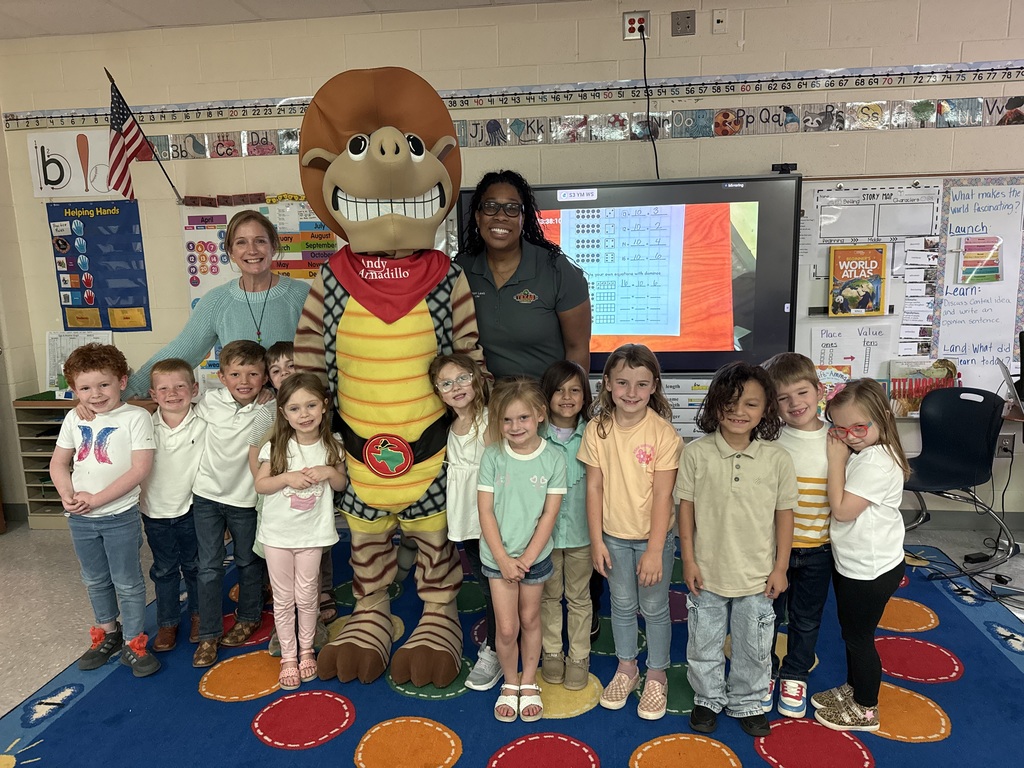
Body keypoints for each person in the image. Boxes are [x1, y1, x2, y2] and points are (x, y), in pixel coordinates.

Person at [677, 361, 797, 738]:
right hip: (708, 572)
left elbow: (784, 516)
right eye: (730, 402)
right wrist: (689, 560)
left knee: (755, 644)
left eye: (751, 404)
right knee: (704, 642)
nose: (739, 411)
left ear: (766, 410)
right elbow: (686, 510)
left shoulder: (777, 459)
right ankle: (708, 698)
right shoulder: (696, 454)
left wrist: (781, 567)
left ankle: (747, 700)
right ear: (714, 405)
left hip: (757, 576)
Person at [579, 344, 681, 721]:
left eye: (641, 384)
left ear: (654, 386)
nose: (631, 392)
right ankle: (627, 667)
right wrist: (595, 540)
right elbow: (594, 487)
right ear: (606, 383)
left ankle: (656, 673)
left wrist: (656, 550)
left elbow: (663, 494)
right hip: (612, 537)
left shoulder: (663, 434)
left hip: (653, 539)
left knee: (654, 607)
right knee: (620, 605)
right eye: (622, 382)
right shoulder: (597, 429)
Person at [49, 343, 159, 678]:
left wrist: (96, 500)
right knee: (94, 578)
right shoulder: (74, 416)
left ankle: (133, 641)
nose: (95, 395)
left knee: (126, 580)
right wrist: (67, 495)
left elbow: (139, 469)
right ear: (74, 391)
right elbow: (58, 463)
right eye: (85, 388)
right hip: (80, 518)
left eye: (104, 385)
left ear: (122, 381)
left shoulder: (136, 417)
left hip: (118, 516)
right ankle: (107, 633)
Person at [124, 210, 310, 398]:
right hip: (242, 413)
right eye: (241, 242)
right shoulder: (217, 301)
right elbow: (181, 351)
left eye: (260, 240)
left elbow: (327, 352)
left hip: (298, 409)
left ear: (274, 246)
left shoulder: (301, 295)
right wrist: (126, 391)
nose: (252, 250)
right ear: (230, 251)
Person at [813, 378, 910, 733]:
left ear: (883, 419)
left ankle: (867, 709)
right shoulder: (870, 453)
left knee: (859, 638)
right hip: (859, 563)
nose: (850, 436)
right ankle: (854, 690)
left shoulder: (875, 463)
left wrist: (836, 458)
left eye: (859, 427)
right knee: (851, 633)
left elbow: (841, 510)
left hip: (868, 570)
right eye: (841, 430)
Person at [478, 378, 566, 722]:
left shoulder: (554, 459)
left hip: (534, 559)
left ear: (540, 415)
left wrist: (527, 560)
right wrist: (503, 559)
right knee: (505, 628)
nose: (515, 427)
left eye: (523, 418)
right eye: (507, 420)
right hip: (497, 558)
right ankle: (510, 682)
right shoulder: (493, 456)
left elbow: (549, 514)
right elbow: (485, 510)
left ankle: (528, 681)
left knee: (530, 619)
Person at [254, 373, 346, 690]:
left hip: (313, 535)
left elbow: (341, 483)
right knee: (283, 598)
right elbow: (261, 485)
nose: (303, 414)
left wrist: (328, 471)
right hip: (278, 536)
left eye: (310, 405)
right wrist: (287, 479)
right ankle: (288, 656)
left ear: (324, 406)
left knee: (308, 596)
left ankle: (306, 650)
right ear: (283, 413)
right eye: (294, 408)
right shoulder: (276, 445)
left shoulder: (333, 445)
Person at [456, 169, 591, 381]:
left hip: (543, 405)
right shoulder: (460, 270)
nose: (500, 215)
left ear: (522, 219)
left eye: (512, 208)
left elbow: (577, 349)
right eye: (491, 207)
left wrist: (567, 406)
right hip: (484, 405)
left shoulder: (556, 269)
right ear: (477, 216)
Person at [761, 352, 833, 718]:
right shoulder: (772, 443)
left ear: (819, 391)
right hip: (774, 551)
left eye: (802, 393)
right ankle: (764, 671)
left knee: (806, 618)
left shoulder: (837, 441)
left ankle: (795, 674)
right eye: (783, 398)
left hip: (819, 549)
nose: (794, 404)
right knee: (767, 614)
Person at [191, 340, 270, 668]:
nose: (244, 381)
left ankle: (249, 616)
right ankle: (209, 633)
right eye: (235, 373)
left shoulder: (269, 408)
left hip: (245, 499)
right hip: (207, 496)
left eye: (253, 373)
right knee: (208, 566)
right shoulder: (210, 401)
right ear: (222, 377)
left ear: (265, 377)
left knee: (247, 561)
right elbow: (174, 411)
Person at [428, 353, 498, 691]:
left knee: (494, 585)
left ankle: (498, 649)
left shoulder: (489, 420)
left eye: (462, 378)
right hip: (464, 517)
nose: (455, 387)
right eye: (446, 383)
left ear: (477, 379)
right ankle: (501, 638)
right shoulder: (447, 426)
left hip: (492, 516)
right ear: (438, 392)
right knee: (484, 581)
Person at [140, 358, 205, 653]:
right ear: (153, 395)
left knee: (195, 566)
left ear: (194, 388)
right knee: (164, 570)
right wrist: (82, 405)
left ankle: (198, 615)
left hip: (192, 509)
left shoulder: (205, 419)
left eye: (180, 386)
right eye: (163, 388)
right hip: (154, 510)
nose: (172, 393)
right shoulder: (141, 424)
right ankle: (167, 622)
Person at [539, 360, 593, 690]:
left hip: (582, 536)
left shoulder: (595, 434)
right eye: (558, 390)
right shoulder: (535, 434)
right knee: (548, 597)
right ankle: (552, 653)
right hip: (543, 538)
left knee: (579, 598)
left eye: (574, 390)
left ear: (585, 396)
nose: (567, 397)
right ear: (546, 397)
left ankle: (579, 656)